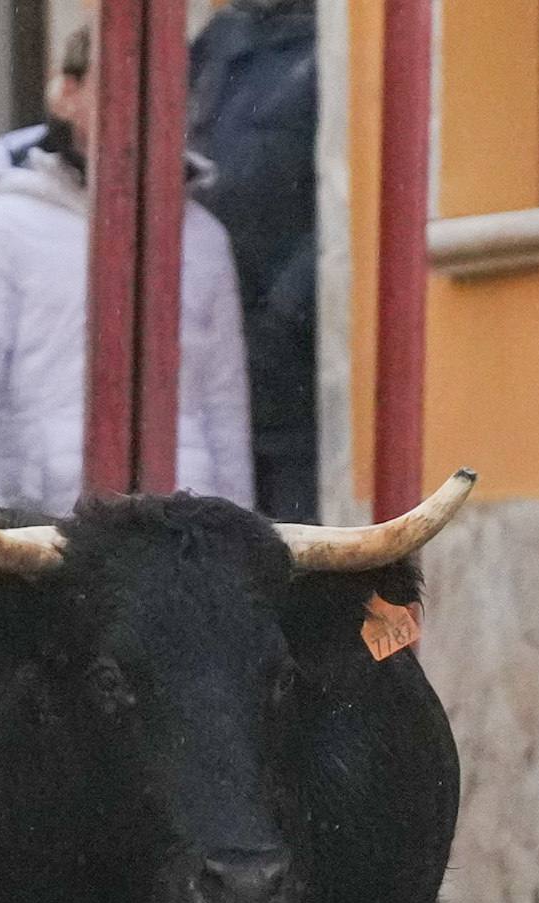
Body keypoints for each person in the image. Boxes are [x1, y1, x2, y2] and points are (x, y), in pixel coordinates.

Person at [0, 26, 252, 515]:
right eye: (118, 86)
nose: (144, 107)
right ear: (67, 95)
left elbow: (225, 410)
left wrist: (235, 542)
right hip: (47, 532)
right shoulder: (2, 231)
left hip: (182, 536)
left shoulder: (204, 239)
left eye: (167, 88)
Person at [187, 0, 317, 520]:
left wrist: (286, 310)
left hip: (290, 354)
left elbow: (349, 196)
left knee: (294, 534)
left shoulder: (330, 47)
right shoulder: (214, 46)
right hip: (206, 333)